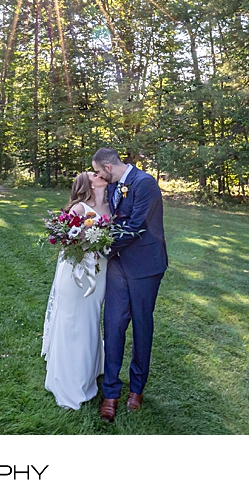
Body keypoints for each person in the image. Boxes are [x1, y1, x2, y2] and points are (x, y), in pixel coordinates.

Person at [91, 147, 167, 422]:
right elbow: (112, 220)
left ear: (108, 168)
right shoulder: (114, 186)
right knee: (113, 325)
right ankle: (110, 392)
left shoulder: (146, 184)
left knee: (141, 327)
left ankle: (137, 388)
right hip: (118, 266)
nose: (98, 176)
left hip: (146, 267)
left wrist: (104, 248)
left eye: (99, 171)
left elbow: (136, 225)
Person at [41, 171, 111, 409]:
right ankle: (71, 382)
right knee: (74, 323)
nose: (100, 173)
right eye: (94, 172)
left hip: (100, 275)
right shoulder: (79, 210)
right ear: (88, 183)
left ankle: (91, 369)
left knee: (91, 320)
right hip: (76, 276)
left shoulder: (112, 207)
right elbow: (67, 245)